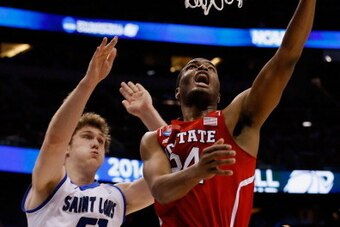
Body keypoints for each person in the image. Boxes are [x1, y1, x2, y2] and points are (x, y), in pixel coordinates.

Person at [140, 1, 316, 227]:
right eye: (192, 66)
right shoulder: (155, 139)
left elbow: (287, 57)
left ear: (219, 96)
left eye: (211, 69)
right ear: (177, 91)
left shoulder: (235, 119)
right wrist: (198, 171)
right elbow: (159, 190)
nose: (203, 68)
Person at [21, 37, 166, 227]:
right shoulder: (49, 184)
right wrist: (89, 82)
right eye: (87, 136)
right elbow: (55, 140)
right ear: (67, 148)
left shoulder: (117, 196)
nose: (96, 143)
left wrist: (148, 113)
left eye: (101, 141)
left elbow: (174, 164)